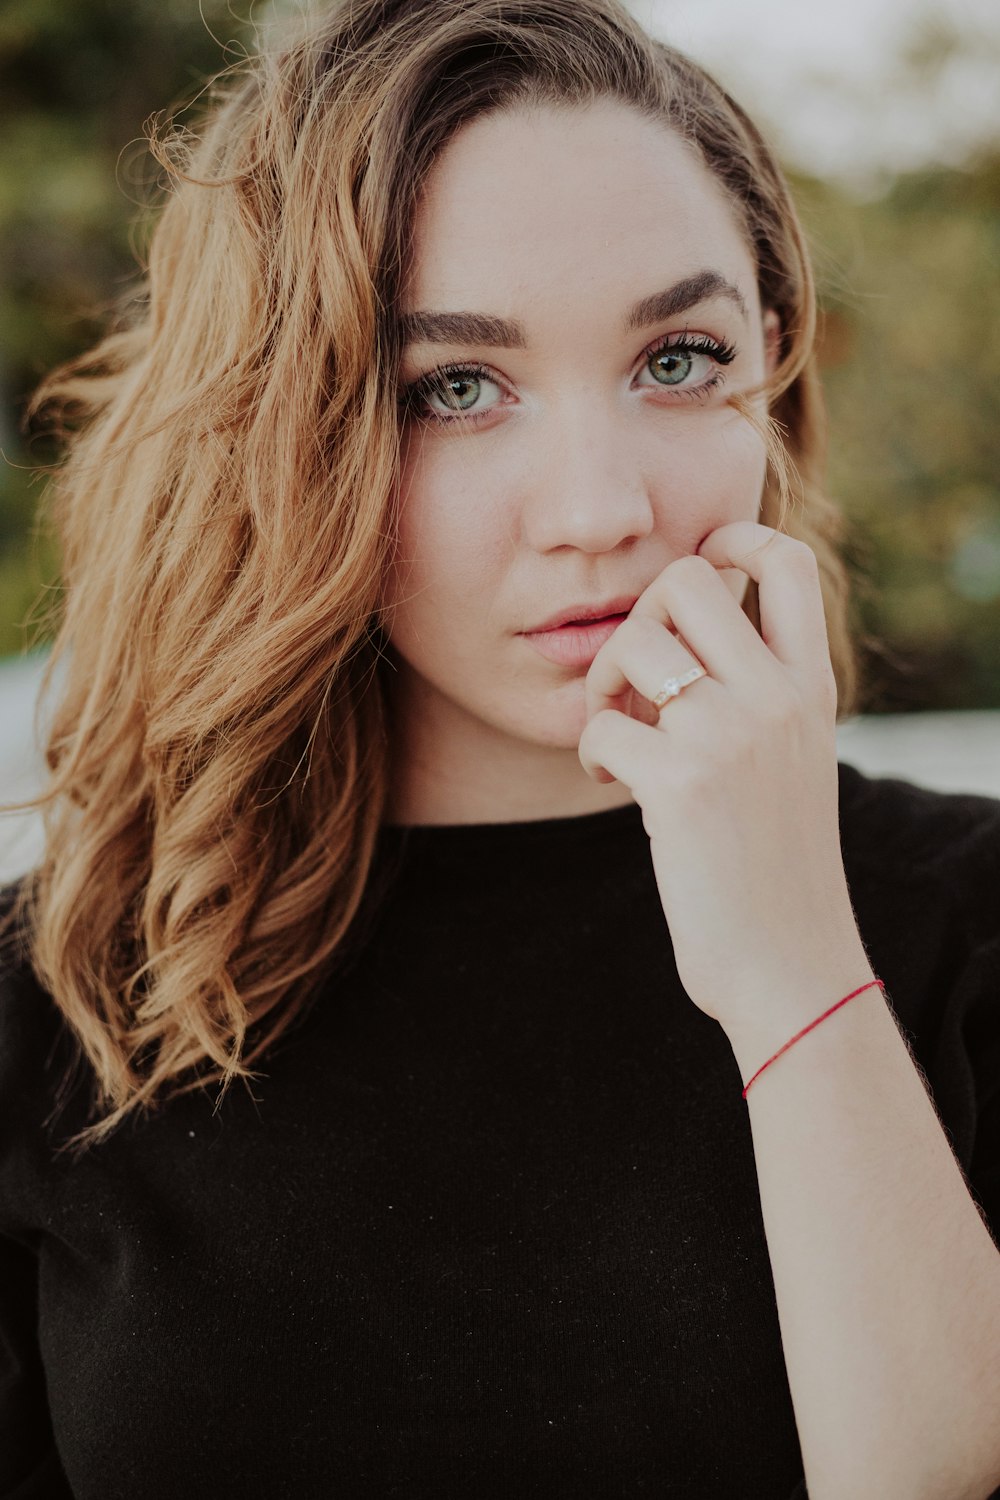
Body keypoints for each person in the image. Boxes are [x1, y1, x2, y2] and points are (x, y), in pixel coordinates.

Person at [1, 0, 999, 1495]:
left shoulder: (963, 922)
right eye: (452, 390)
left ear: (773, 368)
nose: (598, 507)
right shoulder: (60, 999)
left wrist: (795, 967)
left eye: (679, 357)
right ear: (288, 430)